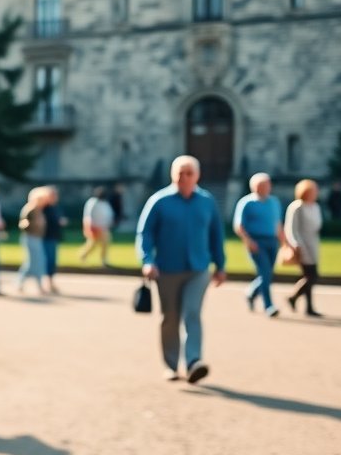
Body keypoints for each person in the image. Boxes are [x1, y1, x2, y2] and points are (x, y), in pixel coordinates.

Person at [135, 155, 227, 383]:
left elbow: (216, 235)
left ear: (197, 176)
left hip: (198, 268)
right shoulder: (159, 201)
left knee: (192, 313)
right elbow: (144, 234)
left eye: (189, 173)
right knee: (170, 317)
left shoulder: (207, 201)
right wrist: (147, 260)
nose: (184, 177)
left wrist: (220, 265)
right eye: (180, 173)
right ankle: (171, 365)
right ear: (172, 175)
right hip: (166, 269)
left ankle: (194, 361)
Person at [232, 172, 285, 317]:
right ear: (254, 187)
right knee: (265, 272)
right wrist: (248, 241)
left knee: (267, 274)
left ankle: (252, 292)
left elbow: (278, 224)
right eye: (261, 185)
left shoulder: (274, 202)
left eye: (267, 185)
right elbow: (239, 226)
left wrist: (284, 242)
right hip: (256, 241)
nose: (265, 188)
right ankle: (269, 305)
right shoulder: (246, 203)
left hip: (272, 241)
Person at [285, 178, 324, 317]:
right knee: (312, 275)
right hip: (302, 245)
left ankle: (308, 306)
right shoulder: (297, 207)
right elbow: (291, 229)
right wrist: (296, 244)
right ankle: (294, 296)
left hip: (313, 243)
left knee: (308, 275)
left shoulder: (315, 206)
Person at [15, 186, 49, 294]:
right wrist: (32, 224)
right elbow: (23, 223)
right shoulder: (30, 209)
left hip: (37, 237)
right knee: (32, 263)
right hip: (30, 237)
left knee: (39, 261)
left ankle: (35, 284)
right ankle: (22, 282)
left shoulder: (39, 209)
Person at [79, 186, 115, 267]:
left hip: (103, 227)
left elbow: (109, 214)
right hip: (94, 227)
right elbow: (89, 216)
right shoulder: (92, 202)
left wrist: (109, 223)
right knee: (92, 244)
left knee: (105, 243)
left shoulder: (105, 203)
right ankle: (83, 256)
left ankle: (103, 260)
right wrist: (90, 227)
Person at [40, 185, 67, 294]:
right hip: (46, 237)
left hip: (54, 236)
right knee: (47, 261)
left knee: (52, 261)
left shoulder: (55, 207)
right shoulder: (44, 208)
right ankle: (46, 283)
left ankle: (50, 283)